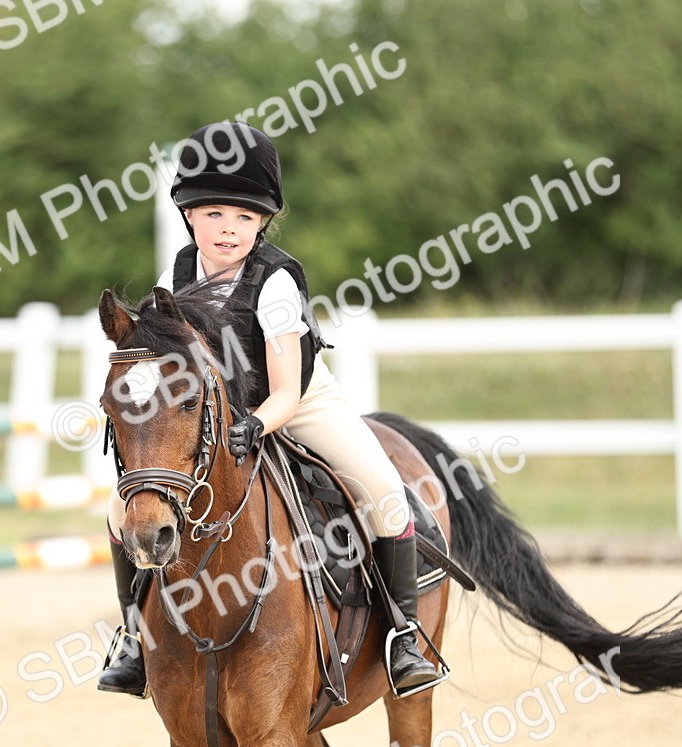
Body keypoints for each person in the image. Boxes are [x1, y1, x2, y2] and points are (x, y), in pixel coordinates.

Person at [97, 121, 440, 698]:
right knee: (118, 509)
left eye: (244, 218)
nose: (229, 229)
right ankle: (135, 640)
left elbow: (285, 390)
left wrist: (254, 425)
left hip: (296, 400)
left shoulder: (274, 282)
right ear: (188, 215)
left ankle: (403, 635)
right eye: (214, 215)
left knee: (382, 490)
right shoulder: (174, 276)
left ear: (263, 221)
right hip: (219, 405)